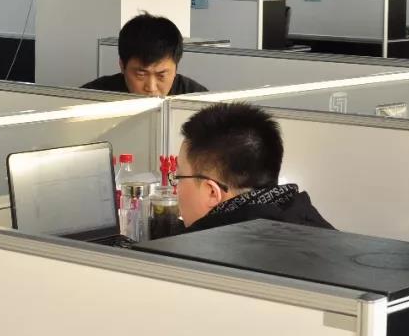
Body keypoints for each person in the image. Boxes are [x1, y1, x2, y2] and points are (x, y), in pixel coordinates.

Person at [173, 102, 333, 233]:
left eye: (178, 177)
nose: (175, 190)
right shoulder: (309, 223)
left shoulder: (203, 256)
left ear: (212, 192)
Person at [82, 14, 207, 96]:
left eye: (161, 75)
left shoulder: (198, 99)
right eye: (140, 75)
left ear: (176, 68)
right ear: (122, 66)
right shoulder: (92, 97)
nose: (151, 88)